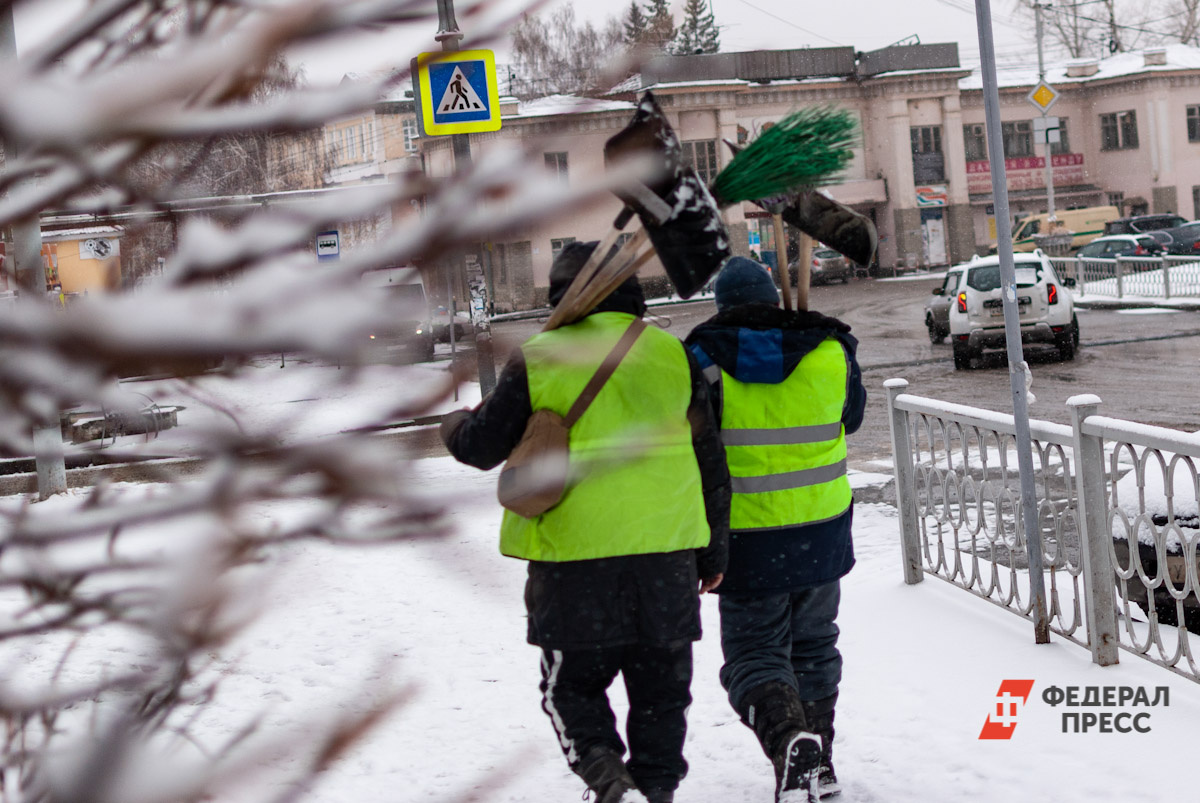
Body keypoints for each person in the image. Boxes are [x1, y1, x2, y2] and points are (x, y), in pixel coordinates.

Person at [440, 241, 730, 803]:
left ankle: (607, 776)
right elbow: (710, 461)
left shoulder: (540, 357)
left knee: (570, 689)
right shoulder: (674, 355)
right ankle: (656, 791)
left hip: (573, 566)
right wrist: (714, 552)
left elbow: (481, 447)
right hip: (666, 561)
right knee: (662, 696)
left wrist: (453, 423)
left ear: (561, 293)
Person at [684, 257, 866, 803]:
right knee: (814, 648)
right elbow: (853, 417)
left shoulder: (702, 359)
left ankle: (790, 741)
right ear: (774, 298)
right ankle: (821, 760)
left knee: (753, 655)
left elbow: (689, 447)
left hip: (746, 541)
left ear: (722, 306)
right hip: (822, 531)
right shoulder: (831, 350)